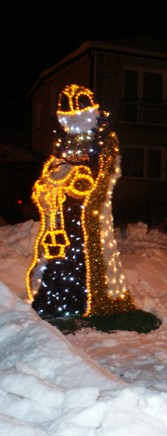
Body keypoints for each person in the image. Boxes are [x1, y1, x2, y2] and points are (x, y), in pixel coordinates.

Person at [26, 85, 136, 319]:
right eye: (68, 115)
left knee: (86, 253)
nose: (72, 119)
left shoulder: (104, 138)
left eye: (77, 113)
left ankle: (89, 301)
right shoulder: (63, 142)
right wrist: (47, 185)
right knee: (61, 253)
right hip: (62, 211)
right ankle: (57, 298)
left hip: (88, 210)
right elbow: (50, 169)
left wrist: (93, 196)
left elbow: (108, 172)